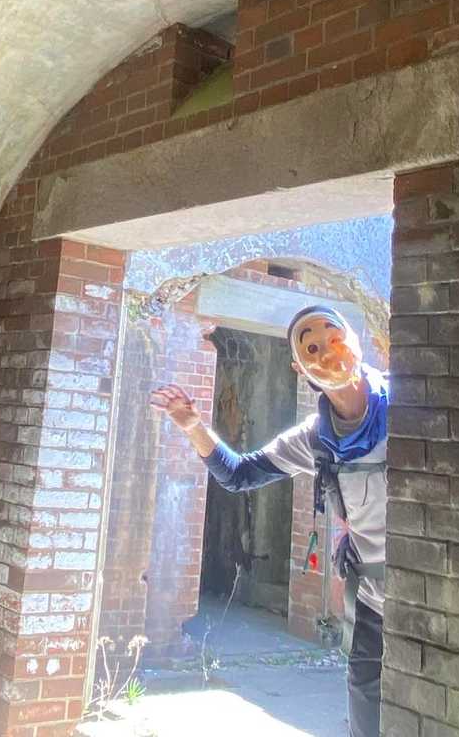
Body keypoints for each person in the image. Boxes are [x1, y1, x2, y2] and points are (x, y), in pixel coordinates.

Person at [149, 304, 388, 737]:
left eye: (333, 335)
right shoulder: (315, 439)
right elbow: (240, 474)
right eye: (311, 348)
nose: (327, 350)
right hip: (374, 596)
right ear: (300, 368)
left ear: (354, 339)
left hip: (435, 588)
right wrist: (192, 425)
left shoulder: (410, 404)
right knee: (367, 708)